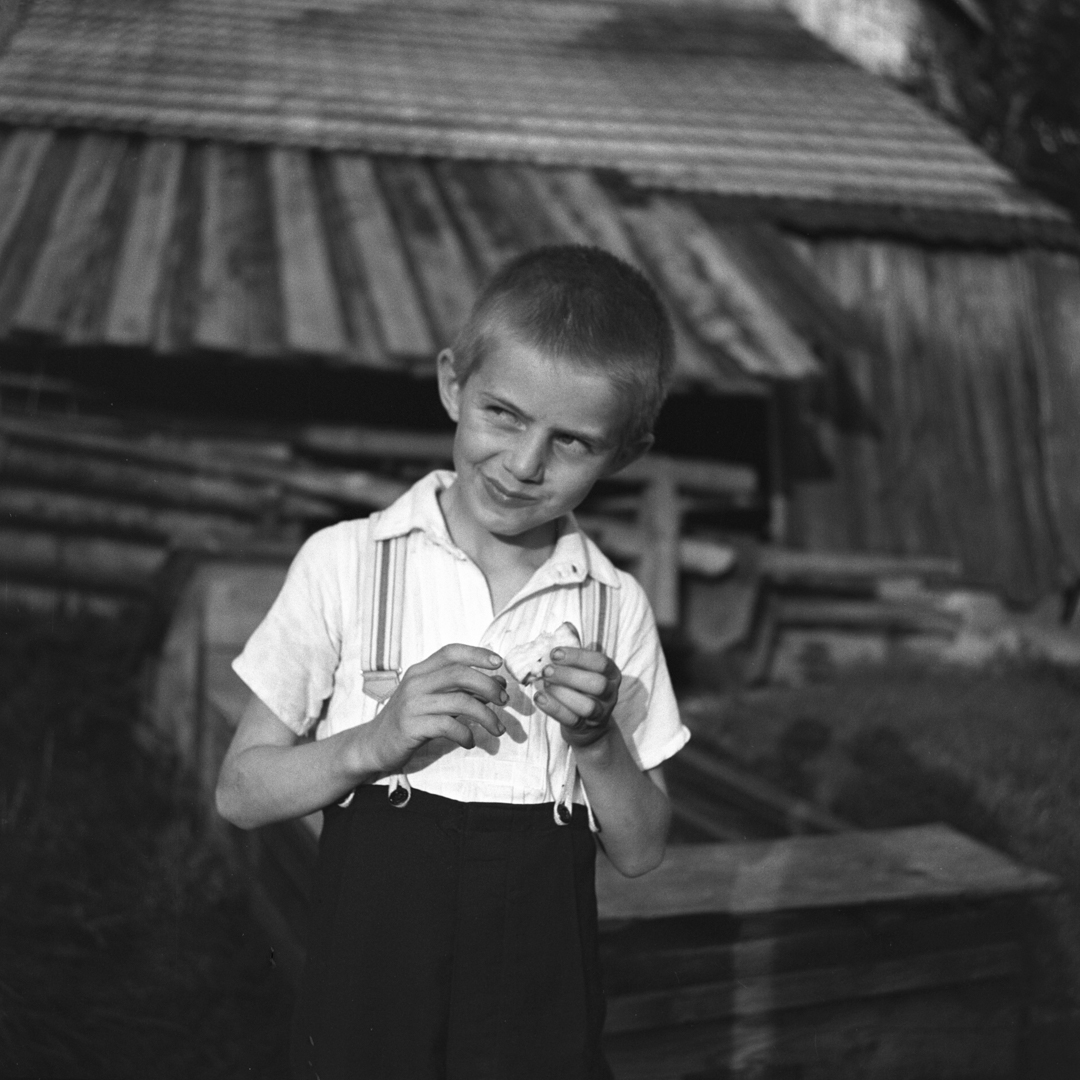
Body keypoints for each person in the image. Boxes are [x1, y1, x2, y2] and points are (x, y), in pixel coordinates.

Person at [215, 245, 691, 1080]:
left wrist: (596, 741)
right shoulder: (346, 561)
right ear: (452, 385)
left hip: (536, 994)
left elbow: (643, 848)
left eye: (571, 441)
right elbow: (242, 793)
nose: (524, 464)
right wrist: (374, 742)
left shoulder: (613, 605)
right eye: (503, 414)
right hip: (373, 976)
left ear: (623, 453)